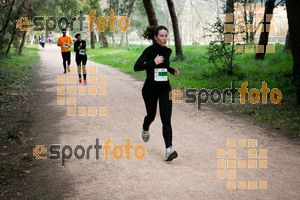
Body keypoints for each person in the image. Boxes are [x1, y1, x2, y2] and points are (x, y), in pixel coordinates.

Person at [134, 25, 180, 161]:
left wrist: (172, 71)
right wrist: (153, 62)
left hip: (165, 89)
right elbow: (136, 67)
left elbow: (164, 66)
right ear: (155, 37)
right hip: (150, 89)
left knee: (166, 119)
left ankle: (168, 149)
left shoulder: (168, 51)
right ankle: (145, 127)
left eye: (166, 35)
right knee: (151, 115)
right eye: (161, 35)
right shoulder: (149, 51)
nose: (164, 38)